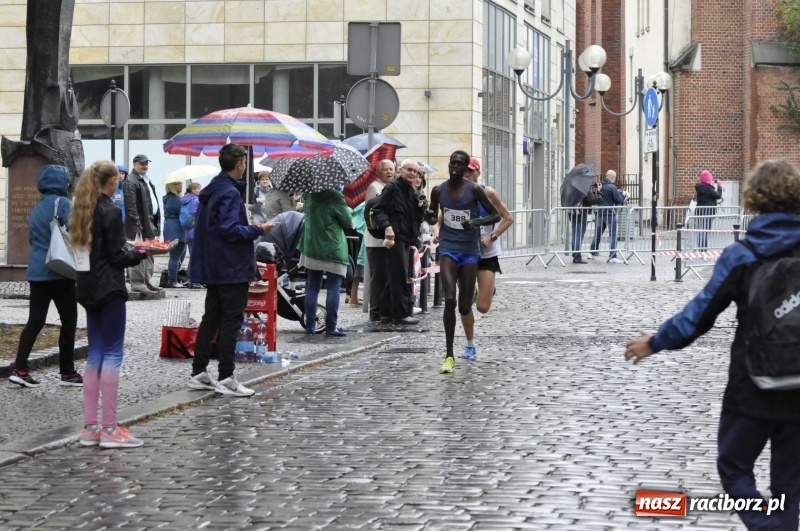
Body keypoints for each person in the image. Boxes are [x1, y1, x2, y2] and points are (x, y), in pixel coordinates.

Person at [624, 159, 800, 531]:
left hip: (752, 384)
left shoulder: (744, 255)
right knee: (790, 484)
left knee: (735, 468)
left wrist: (656, 341)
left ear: (753, 200)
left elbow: (699, 315)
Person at [70, 160, 162, 448]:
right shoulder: (109, 210)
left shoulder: (80, 208)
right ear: (111, 183)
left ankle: (90, 428)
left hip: (86, 287)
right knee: (112, 355)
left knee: (95, 355)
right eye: (117, 180)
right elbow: (116, 257)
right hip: (109, 287)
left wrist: (130, 249)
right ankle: (110, 429)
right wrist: (143, 251)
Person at [188, 143, 277, 397]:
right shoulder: (229, 192)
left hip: (215, 265)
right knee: (230, 320)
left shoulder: (213, 188)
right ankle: (226, 376)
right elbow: (229, 229)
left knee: (211, 317)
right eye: (246, 162)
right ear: (240, 164)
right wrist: (259, 229)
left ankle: (199, 372)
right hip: (230, 266)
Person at [426, 150, 499, 374]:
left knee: (464, 306)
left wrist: (475, 221)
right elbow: (432, 216)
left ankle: (471, 293)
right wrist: (424, 213)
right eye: (453, 164)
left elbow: (495, 216)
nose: (455, 168)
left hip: (469, 250)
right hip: (448, 248)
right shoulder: (438, 190)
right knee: (449, 299)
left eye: (460, 164)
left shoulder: (475, 190)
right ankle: (449, 355)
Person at [9, 165, 82, 388]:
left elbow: (33, 239)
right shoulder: (64, 203)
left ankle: (20, 369)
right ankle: (67, 373)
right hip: (60, 271)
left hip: (37, 272)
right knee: (69, 323)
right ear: (62, 182)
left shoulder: (37, 207)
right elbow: (74, 232)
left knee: (35, 322)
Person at [457, 157, 514, 359]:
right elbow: (440, 219)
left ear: (478, 173)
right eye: (464, 171)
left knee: (482, 307)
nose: (466, 175)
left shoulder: (488, 193)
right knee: (463, 304)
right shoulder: (455, 194)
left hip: (486, 254)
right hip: (464, 254)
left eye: (470, 172)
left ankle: (486, 292)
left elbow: (508, 218)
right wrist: (438, 231)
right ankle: (470, 344)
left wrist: (492, 236)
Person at [371, 160, 425, 325]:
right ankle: (400, 314)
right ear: (400, 170)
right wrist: (387, 227)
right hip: (396, 237)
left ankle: (386, 313)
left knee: (395, 276)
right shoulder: (393, 187)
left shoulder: (411, 189)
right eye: (409, 170)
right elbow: (378, 210)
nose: (413, 173)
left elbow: (413, 215)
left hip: (406, 237)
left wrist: (422, 206)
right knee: (399, 276)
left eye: (415, 172)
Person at [298, 188, 352, 336]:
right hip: (332, 246)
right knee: (334, 287)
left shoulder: (309, 194)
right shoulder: (335, 197)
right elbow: (347, 222)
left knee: (312, 287)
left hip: (311, 245)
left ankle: (310, 327)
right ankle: (331, 327)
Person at [123, 154, 162, 293]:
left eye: (146, 163)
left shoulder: (145, 180)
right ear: (134, 164)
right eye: (141, 163)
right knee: (138, 253)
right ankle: (138, 283)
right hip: (140, 225)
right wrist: (137, 223)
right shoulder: (131, 181)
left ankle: (147, 281)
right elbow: (131, 205)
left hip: (149, 223)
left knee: (149, 253)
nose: (145, 166)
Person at [365, 159, 395, 322]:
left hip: (389, 240)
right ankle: (375, 311)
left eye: (392, 169)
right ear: (379, 171)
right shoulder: (374, 188)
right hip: (376, 241)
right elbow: (371, 214)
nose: (390, 172)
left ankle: (386, 310)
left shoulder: (390, 188)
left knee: (389, 277)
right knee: (378, 278)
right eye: (386, 170)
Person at [590, 169, 628, 263]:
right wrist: (625, 196)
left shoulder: (600, 185)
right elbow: (618, 200)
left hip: (600, 212)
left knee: (598, 232)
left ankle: (592, 252)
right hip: (610, 213)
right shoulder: (612, 187)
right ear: (613, 177)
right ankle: (613, 256)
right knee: (613, 234)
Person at [162, 181, 186, 288]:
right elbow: (183, 211)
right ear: (171, 186)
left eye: (181, 183)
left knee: (180, 255)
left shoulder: (170, 198)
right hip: (175, 228)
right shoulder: (174, 199)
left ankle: (173, 278)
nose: (180, 185)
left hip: (172, 227)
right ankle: (172, 280)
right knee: (176, 256)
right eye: (177, 183)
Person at [571, 182, 602, 264]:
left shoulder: (572, 188)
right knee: (578, 236)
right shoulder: (584, 189)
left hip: (573, 214)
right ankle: (577, 256)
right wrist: (599, 192)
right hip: (581, 215)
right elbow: (594, 200)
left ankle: (575, 255)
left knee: (575, 235)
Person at [181, 182, 203, 289]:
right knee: (196, 257)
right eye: (199, 189)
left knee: (193, 256)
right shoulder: (196, 200)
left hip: (188, 231)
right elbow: (197, 214)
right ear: (193, 190)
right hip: (196, 231)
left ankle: (192, 279)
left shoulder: (185, 199)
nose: (200, 190)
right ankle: (193, 280)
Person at [695, 169, 724, 251]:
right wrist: (719, 187)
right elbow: (718, 196)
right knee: (706, 231)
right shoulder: (709, 189)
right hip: (708, 212)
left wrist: (710, 184)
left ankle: (700, 248)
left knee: (701, 230)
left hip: (700, 212)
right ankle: (704, 250)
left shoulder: (699, 188)